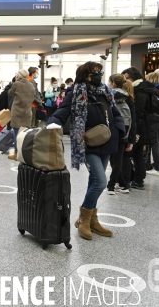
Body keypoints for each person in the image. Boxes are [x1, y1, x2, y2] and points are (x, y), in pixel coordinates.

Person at [48, 62, 125, 240]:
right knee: (100, 181)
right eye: (93, 73)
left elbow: (115, 112)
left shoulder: (106, 92)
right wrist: (52, 124)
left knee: (94, 181)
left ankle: (92, 219)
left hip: (108, 140)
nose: (98, 75)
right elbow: (63, 110)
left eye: (99, 72)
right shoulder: (75, 92)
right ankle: (83, 218)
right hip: (88, 143)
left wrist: (120, 130)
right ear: (84, 75)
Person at [122, 67, 156, 190]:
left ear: (133, 77)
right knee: (137, 154)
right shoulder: (145, 88)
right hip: (144, 126)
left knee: (128, 153)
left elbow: (138, 112)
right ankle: (138, 179)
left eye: (127, 78)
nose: (125, 81)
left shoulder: (140, 91)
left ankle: (132, 179)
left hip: (140, 127)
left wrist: (135, 132)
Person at [107, 74, 136, 195]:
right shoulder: (127, 98)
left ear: (113, 83)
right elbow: (132, 119)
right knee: (116, 159)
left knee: (115, 160)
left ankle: (111, 185)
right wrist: (131, 137)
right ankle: (123, 184)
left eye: (109, 81)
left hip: (113, 131)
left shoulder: (109, 97)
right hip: (124, 131)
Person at [8, 69, 35, 161]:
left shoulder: (17, 84)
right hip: (27, 112)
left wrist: (15, 82)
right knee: (25, 134)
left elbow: (10, 93)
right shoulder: (31, 85)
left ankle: (17, 153)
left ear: (18, 76)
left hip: (17, 112)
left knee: (16, 134)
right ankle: (24, 153)